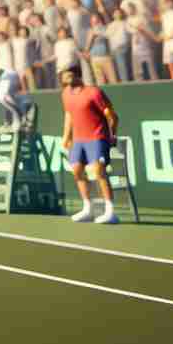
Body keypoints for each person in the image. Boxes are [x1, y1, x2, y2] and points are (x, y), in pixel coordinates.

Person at [59, 65, 119, 225]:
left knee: (99, 172)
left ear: (78, 76)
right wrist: (66, 136)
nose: (67, 79)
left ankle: (110, 212)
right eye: (65, 77)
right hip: (78, 140)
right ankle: (88, 209)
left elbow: (111, 115)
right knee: (77, 171)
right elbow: (69, 115)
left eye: (70, 76)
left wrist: (112, 135)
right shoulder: (65, 94)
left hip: (97, 138)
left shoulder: (94, 92)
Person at [0, 67, 38, 136]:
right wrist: (7, 124)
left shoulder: (25, 102)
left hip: (25, 126)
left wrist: (25, 124)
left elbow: (27, 123)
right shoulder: (7, 100)